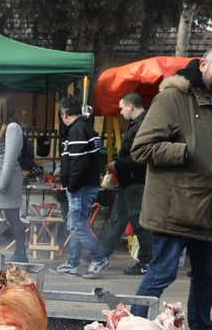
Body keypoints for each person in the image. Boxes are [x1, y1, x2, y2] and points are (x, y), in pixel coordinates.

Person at [130, 40, 212, 330]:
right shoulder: (172, 98)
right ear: (204, 64)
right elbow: (142, 149)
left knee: (206, 277)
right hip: (175, 208)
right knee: (161, 274)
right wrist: (186, 151)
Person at [50, 96, 108, 278]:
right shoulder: (84, 128)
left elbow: (78, 162)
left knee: (75, 225)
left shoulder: (76, 131)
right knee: (77, 224)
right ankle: (72, 263)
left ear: (64, 114)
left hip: (80, 187)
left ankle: (99, 258)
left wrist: (71, 186)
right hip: (84, 185)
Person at [100, 92, 153, 275]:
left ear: (130, 106)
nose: (121, 112)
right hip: (128, 180)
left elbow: (140, 156)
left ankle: (147, 261)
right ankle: (101, 255)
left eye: (122, 108)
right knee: (117, 219)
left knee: (138, 222)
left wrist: (118, 164)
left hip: (136, 181)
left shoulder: (142, 125)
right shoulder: (138, 124)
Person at [0, 93, 28, 263]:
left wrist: (2, 183)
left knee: (11, 217)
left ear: (1, 109)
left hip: (6, 181)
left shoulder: (12, 128)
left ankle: (21, 253)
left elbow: (10, 157)